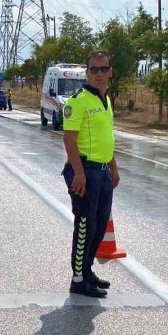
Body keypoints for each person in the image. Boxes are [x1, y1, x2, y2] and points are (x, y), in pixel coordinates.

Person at [61, 50, 119, 298]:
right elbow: (69, 140)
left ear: (110, 71)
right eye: (94, 70)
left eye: (103, 69)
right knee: (85, 226)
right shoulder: (79, 100)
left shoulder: (105, 100)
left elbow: (108, 138)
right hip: (85, 172)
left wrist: (114, 168)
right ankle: (78, 280)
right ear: (87, 73)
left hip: (103, 172)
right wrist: (79, 173)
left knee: (98, 226)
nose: (99, 74)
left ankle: (87, 271)